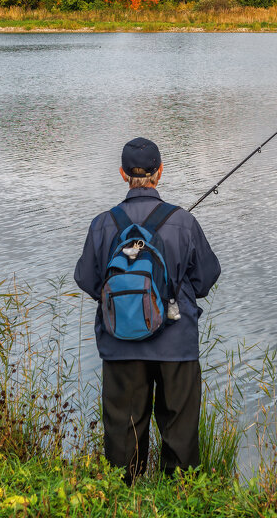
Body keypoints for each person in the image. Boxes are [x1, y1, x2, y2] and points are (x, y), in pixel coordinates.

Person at [74, 137, 221, 482]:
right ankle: (181, 496)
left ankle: (124, 498)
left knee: (123, 435)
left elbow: (87, 279)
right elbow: (205, 279)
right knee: (180, 434)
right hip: (176, 343)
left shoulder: (102, 224)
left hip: (120, 343)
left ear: (123, 174)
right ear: (160, 172)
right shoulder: (183, 222)